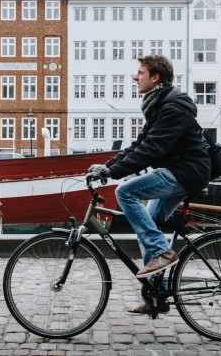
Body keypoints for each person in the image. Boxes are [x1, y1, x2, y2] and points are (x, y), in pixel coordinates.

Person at [88, 55, 210, 315]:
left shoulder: (172, 107)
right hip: (179, 171)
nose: (135, 77)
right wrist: (108, 166)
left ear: (155, 77)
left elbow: (152, 150)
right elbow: (139, 145)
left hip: (186, 172)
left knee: (125, 192)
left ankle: (162, 253)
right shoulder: (159, 104)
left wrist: (114, 174)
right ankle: (157, 295)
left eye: (140, 72)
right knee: (148, 225)